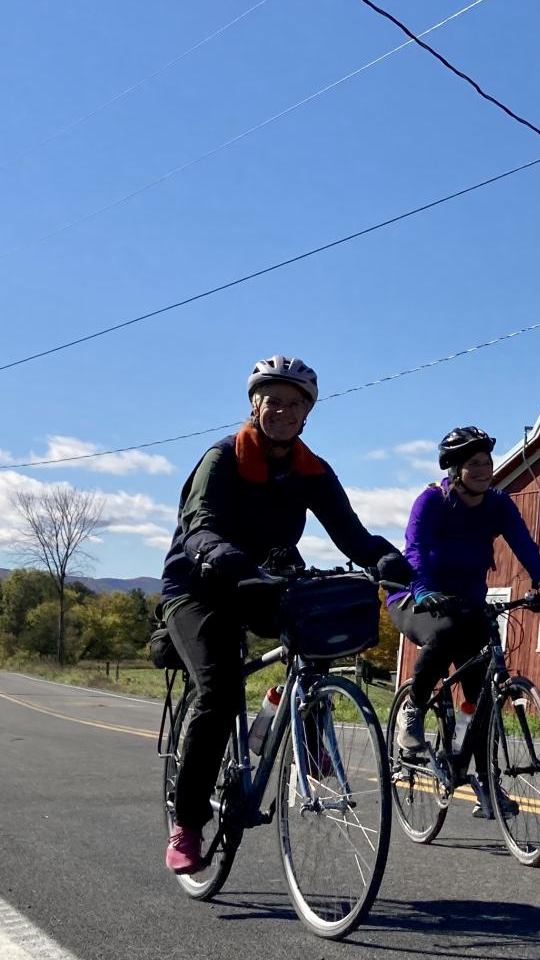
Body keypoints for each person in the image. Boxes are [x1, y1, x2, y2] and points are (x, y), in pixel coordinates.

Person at [158, 356, 412, 874]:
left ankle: (300, 720)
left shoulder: (311, 470)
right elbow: (198, 524)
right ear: (256, 404)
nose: (283, 410)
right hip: (199, 586)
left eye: (295, 403)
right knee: (220, 689)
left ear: (307, 413)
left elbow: (352, 533)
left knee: (319, 630)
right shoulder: (223, 458)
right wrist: (219, 554)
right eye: (273, 399)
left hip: (263, 579)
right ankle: (187, 824)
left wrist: (386, 559)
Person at [389, 425, 540, 818]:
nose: (484, 470)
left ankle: (486, 783)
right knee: (446, 633)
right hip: (415, 598)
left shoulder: (498, 505)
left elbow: (525, 545)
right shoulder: (432, 502)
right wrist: (421, 589)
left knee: (483, 691)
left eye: (487, 463)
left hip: (467, 604)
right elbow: (414, 549)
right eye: (473, 464)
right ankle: (415, 709)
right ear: (454, 470)